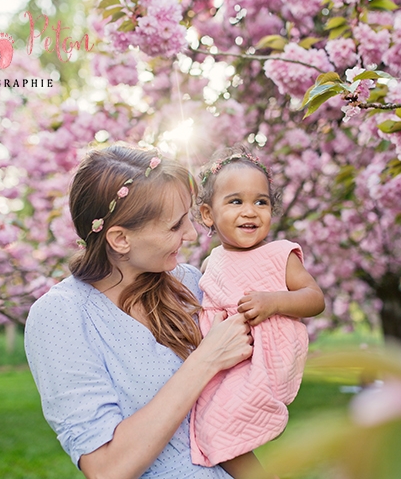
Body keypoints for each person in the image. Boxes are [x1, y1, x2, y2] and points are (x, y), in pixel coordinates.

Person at [24, 146, 259, 479]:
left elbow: (217, 414)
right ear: (120, 239)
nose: (192, 234)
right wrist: (206, 360)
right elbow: (107, 468)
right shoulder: (60, 317)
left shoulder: (189, 283)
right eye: (176, 225)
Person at [189, 150, 325, 469]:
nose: (250, 212)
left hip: (264, 356)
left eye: (261, 202)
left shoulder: (281, 255)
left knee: (216, 429)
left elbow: (314, 298)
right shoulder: (212, 263)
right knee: (207, 421)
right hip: (224, 359)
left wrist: (274, 301)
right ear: (208, 214)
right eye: (236, 201)